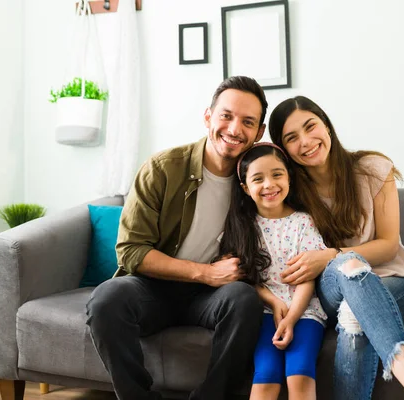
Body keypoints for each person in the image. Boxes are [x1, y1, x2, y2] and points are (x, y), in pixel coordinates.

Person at [85, 76, 269, 400]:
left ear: (259, 132)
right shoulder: (163, 167)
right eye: (226, 115)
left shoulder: (258, 181)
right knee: (106, 299)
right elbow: (130, 250)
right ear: (208, 116)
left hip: (209, 298)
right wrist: (204, 272)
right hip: (152, 287)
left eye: (248, 122)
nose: (235, 128)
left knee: (243, 300)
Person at [268, 96, 404, 400]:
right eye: (292, 138)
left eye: (311, 127)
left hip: (395, 284)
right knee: (348, 269)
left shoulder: (373, 169)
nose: (306, 141)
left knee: (353, 311)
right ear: (284, 150)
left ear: (326, 124)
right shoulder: (289, 190)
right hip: (331, 288)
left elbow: (389, 246)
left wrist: (332, 255)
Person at [216, 142, 332, 400]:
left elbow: (307, 278)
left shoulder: (303, 221)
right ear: (246, 188)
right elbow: (241, 278)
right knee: (266, 376)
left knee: (300, 373)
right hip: (263, 312)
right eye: (258, 179)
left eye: (277, 174)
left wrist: (291, 318)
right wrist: (272, 300)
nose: (269, 184)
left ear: (289, 177)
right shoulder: (241, 228)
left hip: (305, 312)